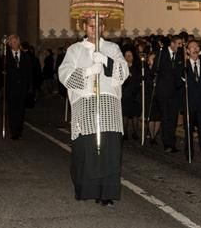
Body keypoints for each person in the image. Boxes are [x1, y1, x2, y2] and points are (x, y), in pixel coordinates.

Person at [58, 17, 128, 206]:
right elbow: (64, 74)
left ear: (103, 27)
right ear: (83, 27)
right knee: (87, 149)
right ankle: (88, 188)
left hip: (108, 106)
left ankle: (106, 193)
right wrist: (88, 71)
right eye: (90, 25)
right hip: (86, 105)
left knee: (108, 150)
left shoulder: (112, 49)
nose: (94, 29)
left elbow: (123, 71)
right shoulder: (74, 50)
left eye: (98, 25)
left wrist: (106, 61)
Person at [155, 36, 183, 153]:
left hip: (175, 92)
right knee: (165, 118)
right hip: (163, 92)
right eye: (178, 43)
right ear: (172, 44)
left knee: (173, 118)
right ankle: (167, 143)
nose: (180, 46)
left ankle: (172, 142)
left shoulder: (180, 55)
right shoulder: (162, 53)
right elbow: (156, 70)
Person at [4, 35, 33, 139]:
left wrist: (29, 86)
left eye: (16, 41)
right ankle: (13, 131)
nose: (14, 43)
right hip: (11, 88)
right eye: (12, 42)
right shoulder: (5, 57)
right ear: (9, 44)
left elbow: (29, 72)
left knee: (20, 110)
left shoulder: (26, 56)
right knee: (12, 110)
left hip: (22, 87)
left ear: (19, 42)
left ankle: (19, 129)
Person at [120, 47, 142, 141]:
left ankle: (135, 132)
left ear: (133, 57)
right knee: (125, 114)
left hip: (135, 95)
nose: (128, 57)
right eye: (126, 56)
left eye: (130, 55)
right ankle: (124, 133)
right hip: (125, 94)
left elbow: (139, 79)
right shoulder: (122, 68)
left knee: (135, 115)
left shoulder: (137, 68)